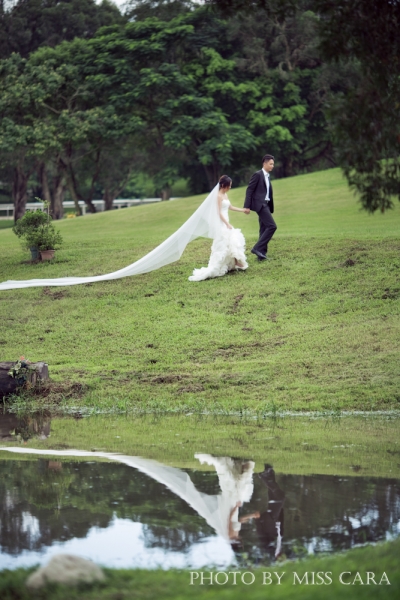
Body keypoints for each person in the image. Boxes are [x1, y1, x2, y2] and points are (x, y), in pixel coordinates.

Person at [188, 175, 249, 281]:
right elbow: (219, 212)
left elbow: (230, 207)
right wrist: (227, 224)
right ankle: (227, 264)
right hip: (222, 222)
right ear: (224, 185)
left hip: (226, 221)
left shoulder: (225, 195)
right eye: (229, 185)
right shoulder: (218, 196)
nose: (230, 187)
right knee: (225, 241)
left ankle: (235, 263)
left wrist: (243, 210)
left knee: (230, 241)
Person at [243, 154, 277, 261]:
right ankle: (257, 248)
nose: (272, 166)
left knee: (264, 228)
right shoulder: (258, 174)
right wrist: (247, 206)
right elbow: (249, 190)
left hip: (266, 204)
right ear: (265, 163)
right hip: (261, 205)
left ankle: (261, 254)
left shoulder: (267, 176)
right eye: (271, 164)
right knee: (272, 226)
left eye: (273, 164)